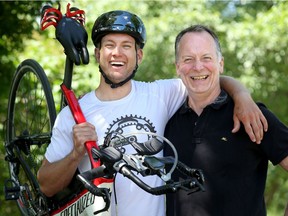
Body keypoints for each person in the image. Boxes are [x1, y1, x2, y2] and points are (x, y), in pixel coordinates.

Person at [37, 11, 267, 216]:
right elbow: (46, 185)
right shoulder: (74, 115)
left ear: (140, 56)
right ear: (97, 54)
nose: (117, 53)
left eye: (127, 45)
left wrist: (242, 96)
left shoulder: (160, 93)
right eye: (109, 45)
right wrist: (75, 154)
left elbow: (205, 78)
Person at [164, 24, 288, 216]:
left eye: (206, 58)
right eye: (188, 59)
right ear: (178, 67)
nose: (198, 67)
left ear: (220, 64)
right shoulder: (167, 120)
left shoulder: (251, 115)